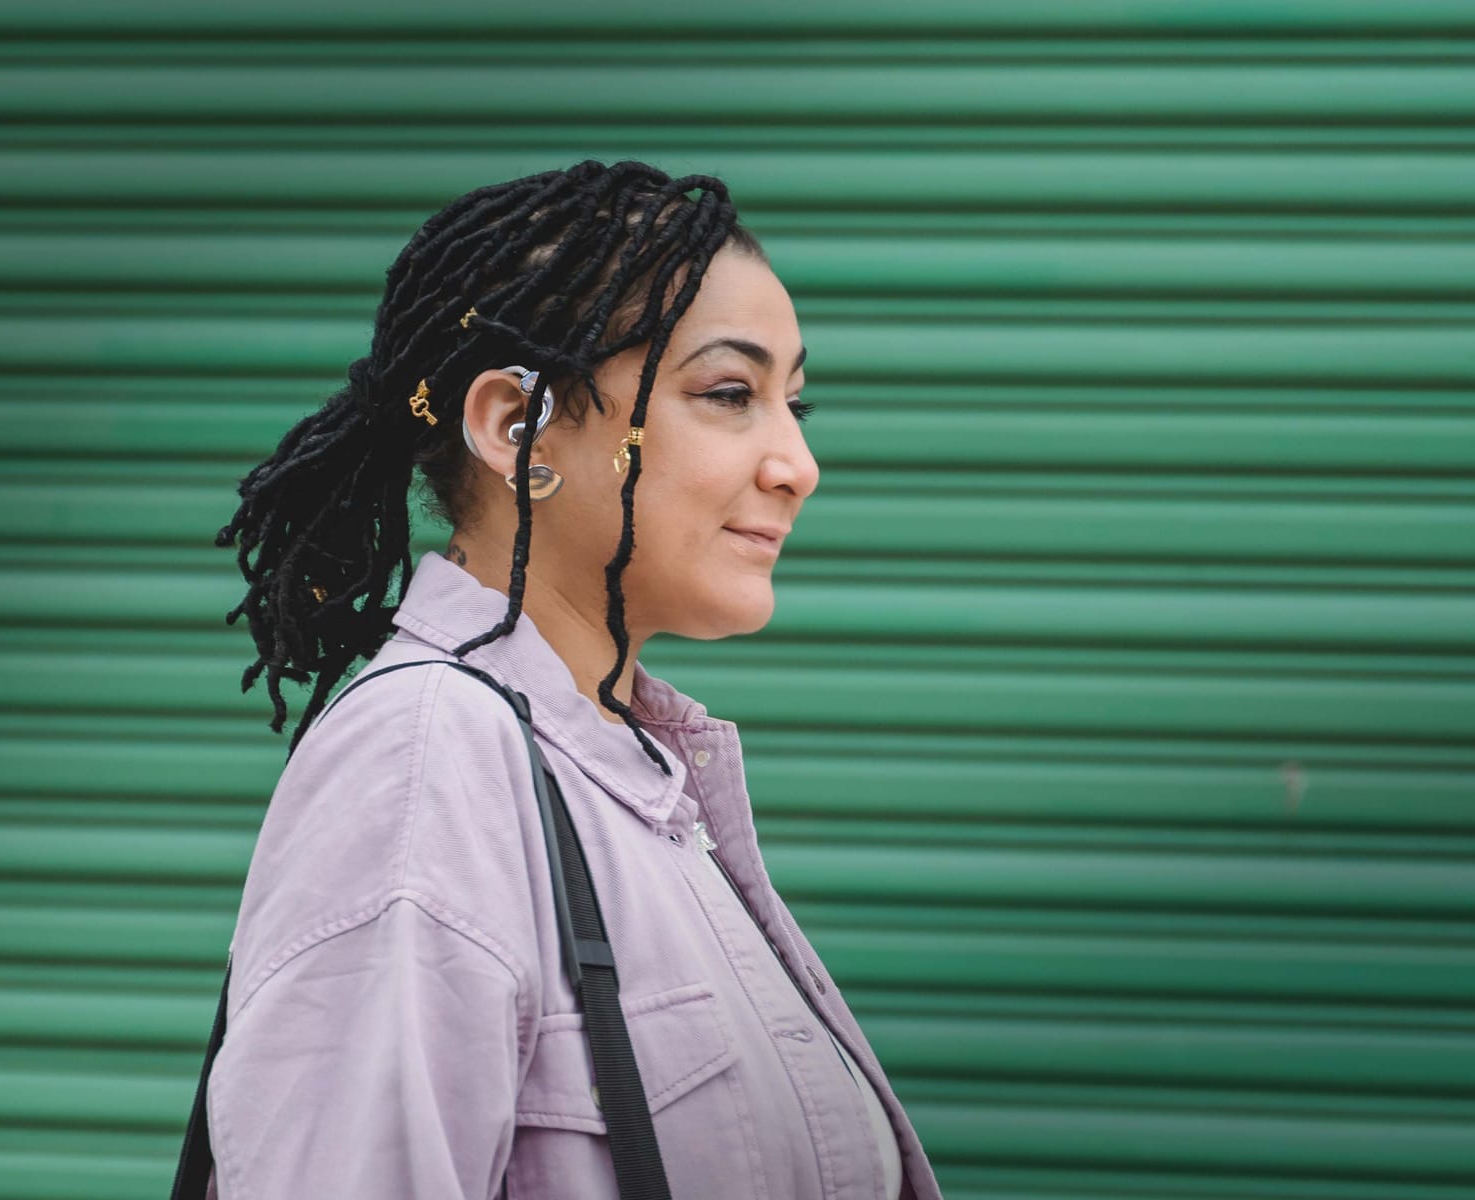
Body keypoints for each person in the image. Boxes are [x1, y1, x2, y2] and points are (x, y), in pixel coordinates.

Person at [206, 159, 944, 1199]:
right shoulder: (429, 768)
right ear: (519, 429)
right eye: (729, 394)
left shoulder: (627, 774)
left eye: (796, 404)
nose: (797, 464)